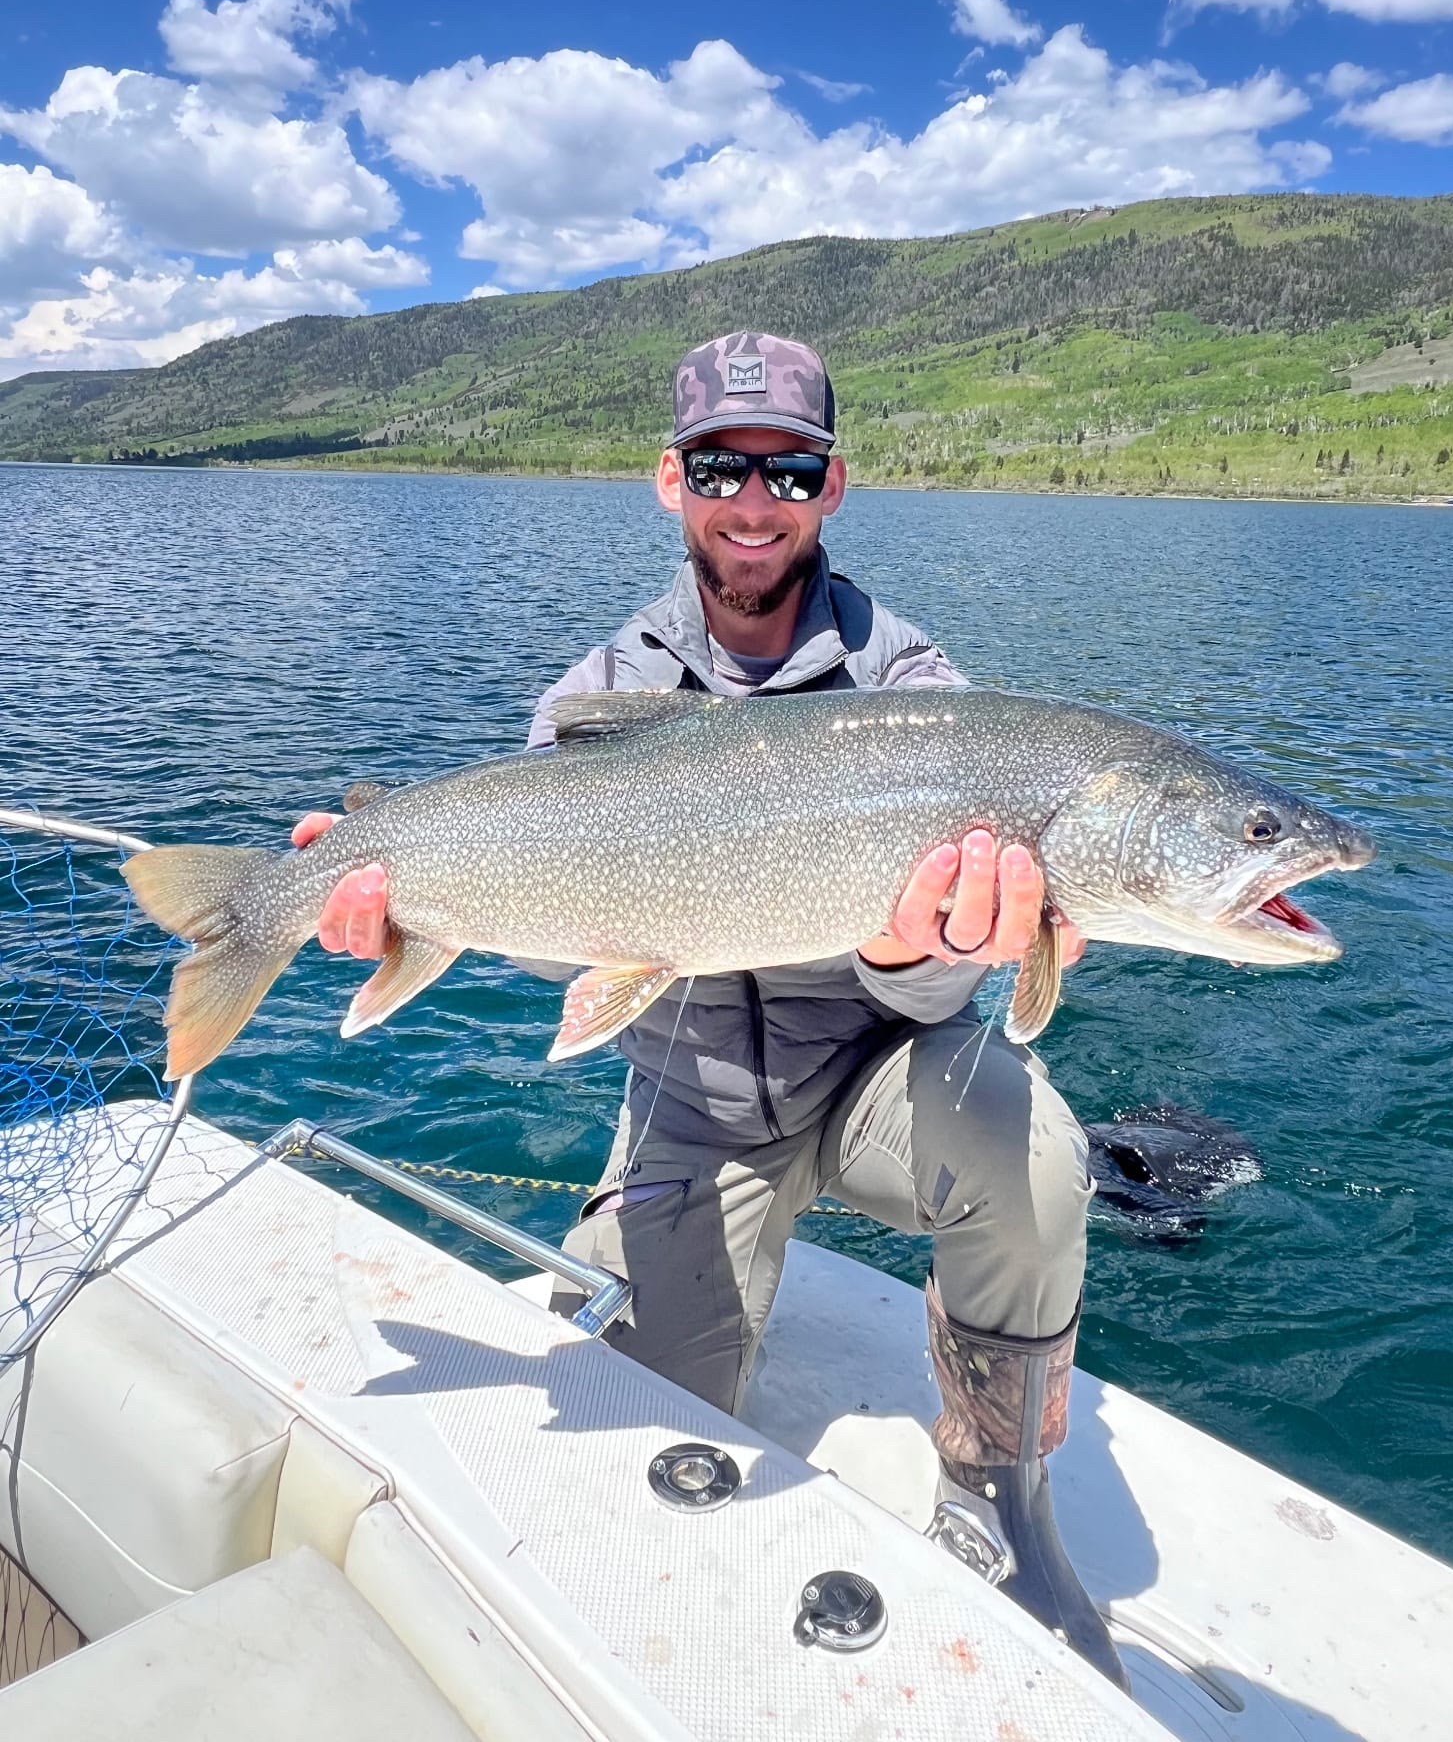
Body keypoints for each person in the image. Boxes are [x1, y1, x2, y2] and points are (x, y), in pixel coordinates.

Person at [292, 332, 1123, 1688]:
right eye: (723, 468)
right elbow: (520, 884)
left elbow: (928, 986)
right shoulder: (598, 694)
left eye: (786, 471)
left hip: (870, 1084)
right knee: (653, 1435)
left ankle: (999, 1499)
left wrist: (932, 955)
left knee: (1036, 1153)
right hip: (690, 1105)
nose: (754, 501)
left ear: (833, 487)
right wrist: (389, 900)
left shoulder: (918, 693)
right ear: (669, 481)